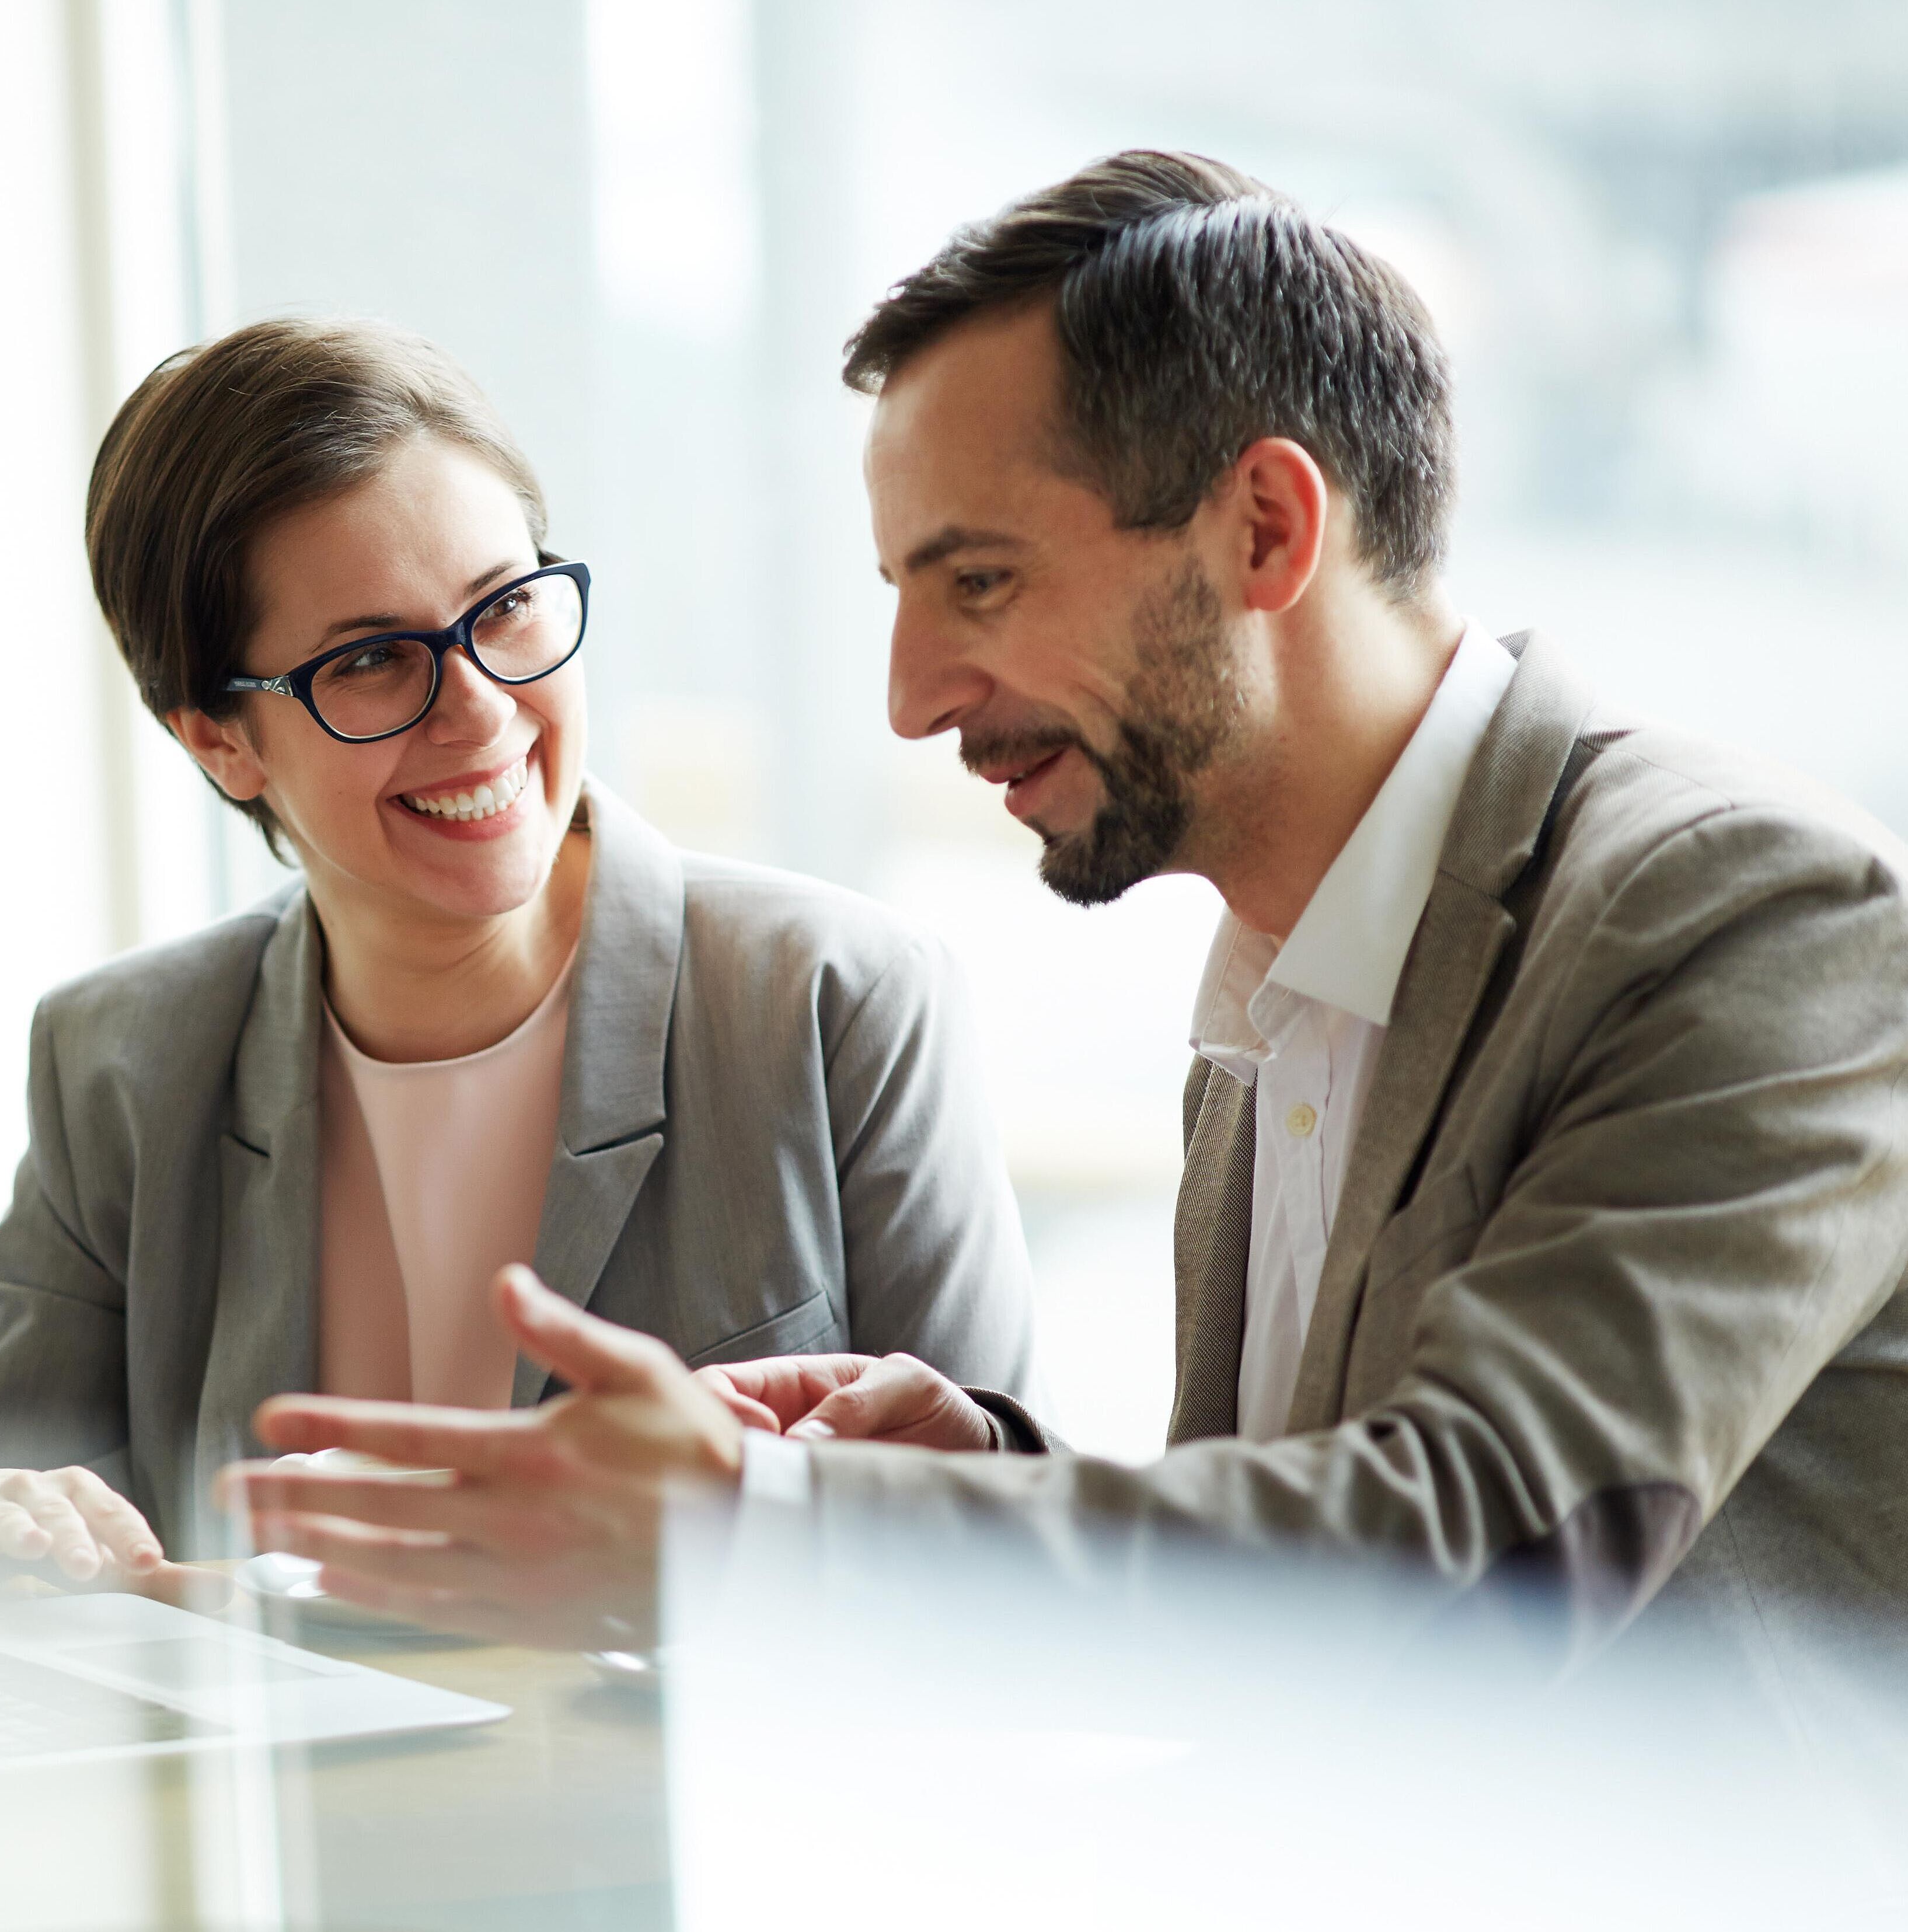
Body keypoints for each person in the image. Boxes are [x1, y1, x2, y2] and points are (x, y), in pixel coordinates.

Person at [224, 145, 1908, 1742]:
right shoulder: (1280, 969)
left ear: (1262, 527)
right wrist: (968, 1465)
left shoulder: (1746, 914)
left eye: (975, 583)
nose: (907, 696)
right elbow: (1287, 1598)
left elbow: (1473, 1557)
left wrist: (770, 1525)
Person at [0, 318, 1034, 1599]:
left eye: (502, 608)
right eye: (374, 659)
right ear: (219, 741)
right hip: (278, 1797)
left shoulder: (831, 999)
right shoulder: (117, 1059)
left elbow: (1007, 1554)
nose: (482, 710)